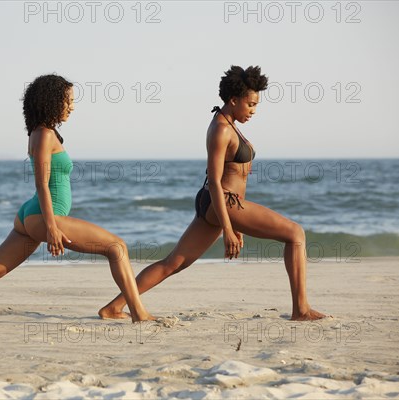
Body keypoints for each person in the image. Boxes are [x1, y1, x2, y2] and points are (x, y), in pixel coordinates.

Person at [0, 74, 154, 325]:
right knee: (117, 248)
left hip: (31, 215)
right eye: (67, 101)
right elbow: (41, 183)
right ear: (50, 101)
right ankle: (137, 313)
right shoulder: (43, 134)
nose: (71, 106)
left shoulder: (44, 133)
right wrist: (51, 227)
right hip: (44, 216)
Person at [98, 66, 325, 321]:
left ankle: (113, 307)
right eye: (250, 104)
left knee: (174, 263)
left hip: (223, 204)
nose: (253, 110)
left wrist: (236, 223)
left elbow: (234, 175)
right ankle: (301, 310)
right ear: (233, 100)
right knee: (295, 234)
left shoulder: (229, 123)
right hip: (222, 201)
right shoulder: (221, 129)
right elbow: (216, 181)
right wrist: (228, 228)